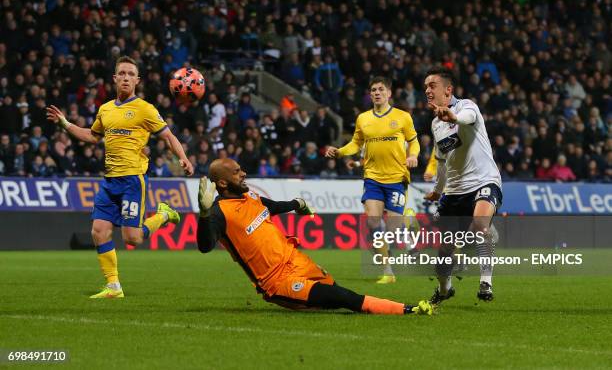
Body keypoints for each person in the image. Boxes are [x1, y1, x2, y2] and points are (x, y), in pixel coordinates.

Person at [196, 158, 433, 315]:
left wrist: (296, 203)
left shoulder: (251, 197)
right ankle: (406, 310)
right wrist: (205, 214)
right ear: (223, 182)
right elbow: (205, 246)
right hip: (277, 282)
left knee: (332, 292)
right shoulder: (218, 213)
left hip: (297, 261)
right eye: (237, 172)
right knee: (342, 297)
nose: (244, 173)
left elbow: (274, 206)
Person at [46, 56, 194, 299]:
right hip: (110, 181)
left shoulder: (145, 109)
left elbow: (168, 136)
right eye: (122, 73)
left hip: (132, 181)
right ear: (115, 78)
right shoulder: (105, 109)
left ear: (137, 80)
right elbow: (92, 136)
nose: (126, 77)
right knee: (98, 230)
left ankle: (165, 214)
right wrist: (65, 124)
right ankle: (113, 286)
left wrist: (183, 158)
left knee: (132, 238)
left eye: (130, 74)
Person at [325, 76, 420, 284]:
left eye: (380, 89)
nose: (376, 93)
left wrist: (413, 156)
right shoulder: (363, 119)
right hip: (373, 178)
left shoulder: (403, 117)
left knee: (394, 230)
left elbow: (414, 142)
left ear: (389, 94)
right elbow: (355, 144)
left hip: (396, 178)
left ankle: (407, 220)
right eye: (373, 90)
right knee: (373, 221)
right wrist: (340, 152)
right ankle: (388, 272)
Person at [423, 66, 503, 303]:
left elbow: (467, 118)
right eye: (426, 86)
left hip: (483, 180)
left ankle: (486, 283)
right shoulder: (435, 124)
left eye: (432, 86)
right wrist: (438, 191)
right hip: (454, 190)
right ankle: (445, 289)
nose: (427, 90)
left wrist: (454, 117)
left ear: (448, 90)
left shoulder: (467, 106)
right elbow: (441, 161)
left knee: (479, 225)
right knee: (446, 250)